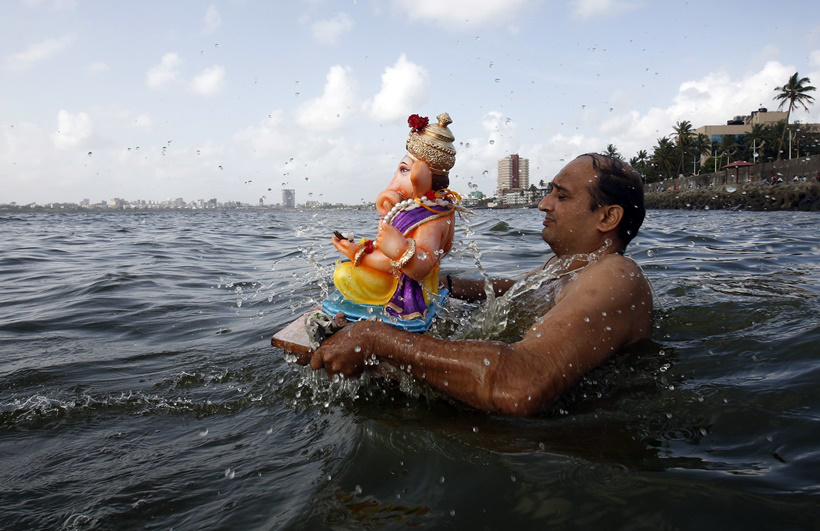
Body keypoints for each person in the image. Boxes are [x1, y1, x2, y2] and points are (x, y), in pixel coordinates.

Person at [301, 153, 653, 416]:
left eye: (561, 196)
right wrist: (442, 285)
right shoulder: (568, 267)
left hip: (545, 442)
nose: (543, 204)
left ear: (608, 216)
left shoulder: (616, 276)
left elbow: (521, 385)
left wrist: (376, 339)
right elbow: (517, 288)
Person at [324, 113, 464, 328]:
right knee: (348, 268)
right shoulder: (427, 207)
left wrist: (369, 254)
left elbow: (420, 267)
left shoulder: (432, 218)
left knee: (343, 274)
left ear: (420, 175)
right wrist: (361, 249)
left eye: (404, 170)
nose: (396, 180)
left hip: (411, 288)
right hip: (409, 278)